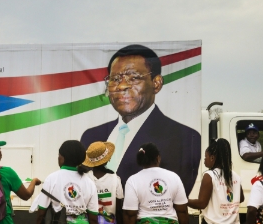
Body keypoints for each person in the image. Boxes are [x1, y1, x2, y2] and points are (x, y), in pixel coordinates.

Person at [80, 44, 201, 194]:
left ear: (156, 84)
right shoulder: (91, 136)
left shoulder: (185, 138)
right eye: (115, 79)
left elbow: (173, 196)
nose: (122, 85)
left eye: (134, 78)